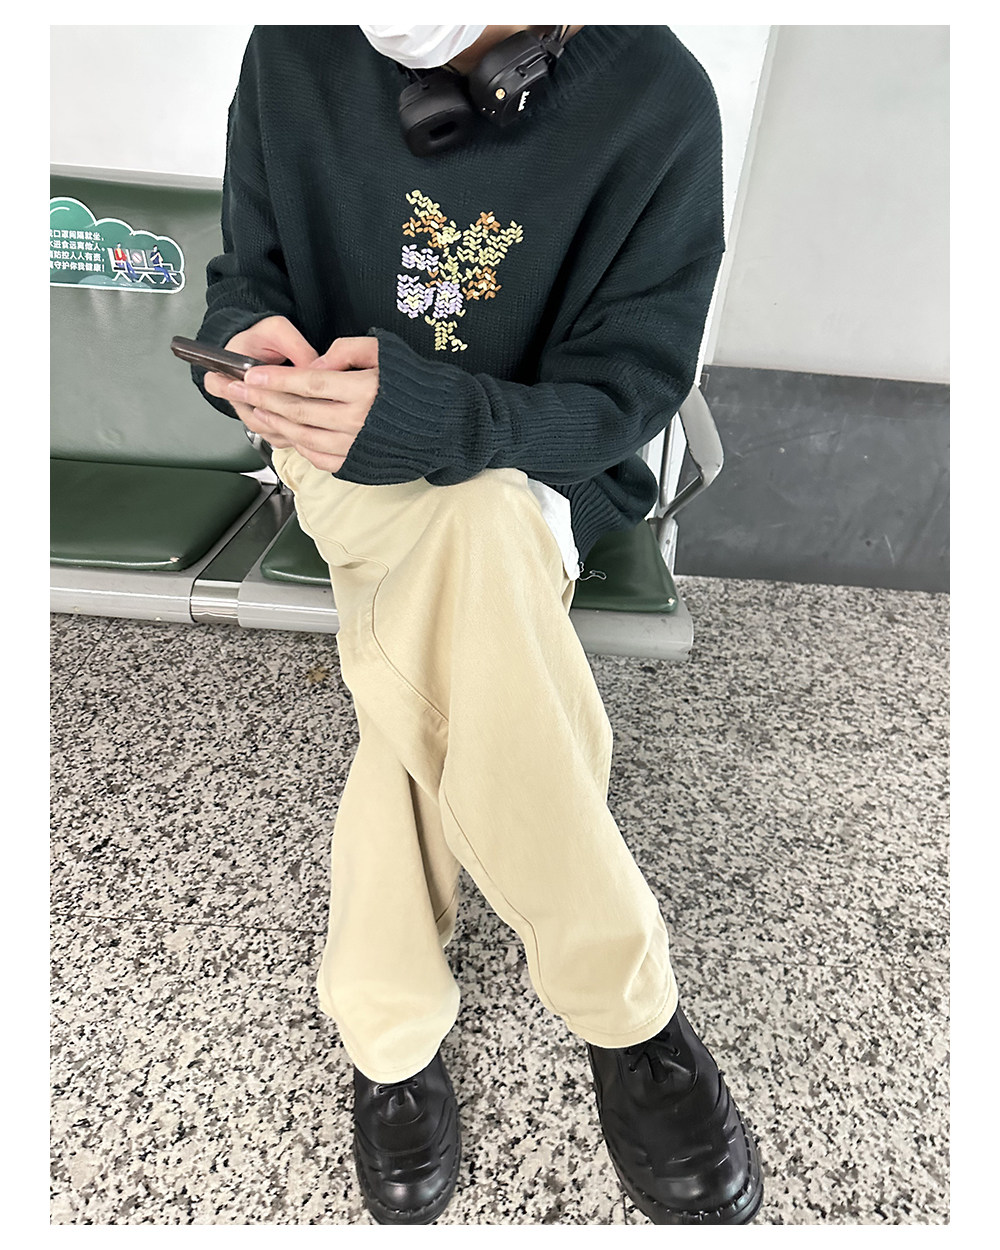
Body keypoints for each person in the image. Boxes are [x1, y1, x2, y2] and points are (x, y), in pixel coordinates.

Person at [191, 24, 764, 1226]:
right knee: (474, 573)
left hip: (538, 475)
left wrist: (442, 423)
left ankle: (388, 1034)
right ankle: (630, 1018)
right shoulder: (292, 49)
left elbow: (627, 393)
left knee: (474, 535)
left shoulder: (658, 101)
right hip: (337, 460)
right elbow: (248, 275)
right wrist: (240, 349)